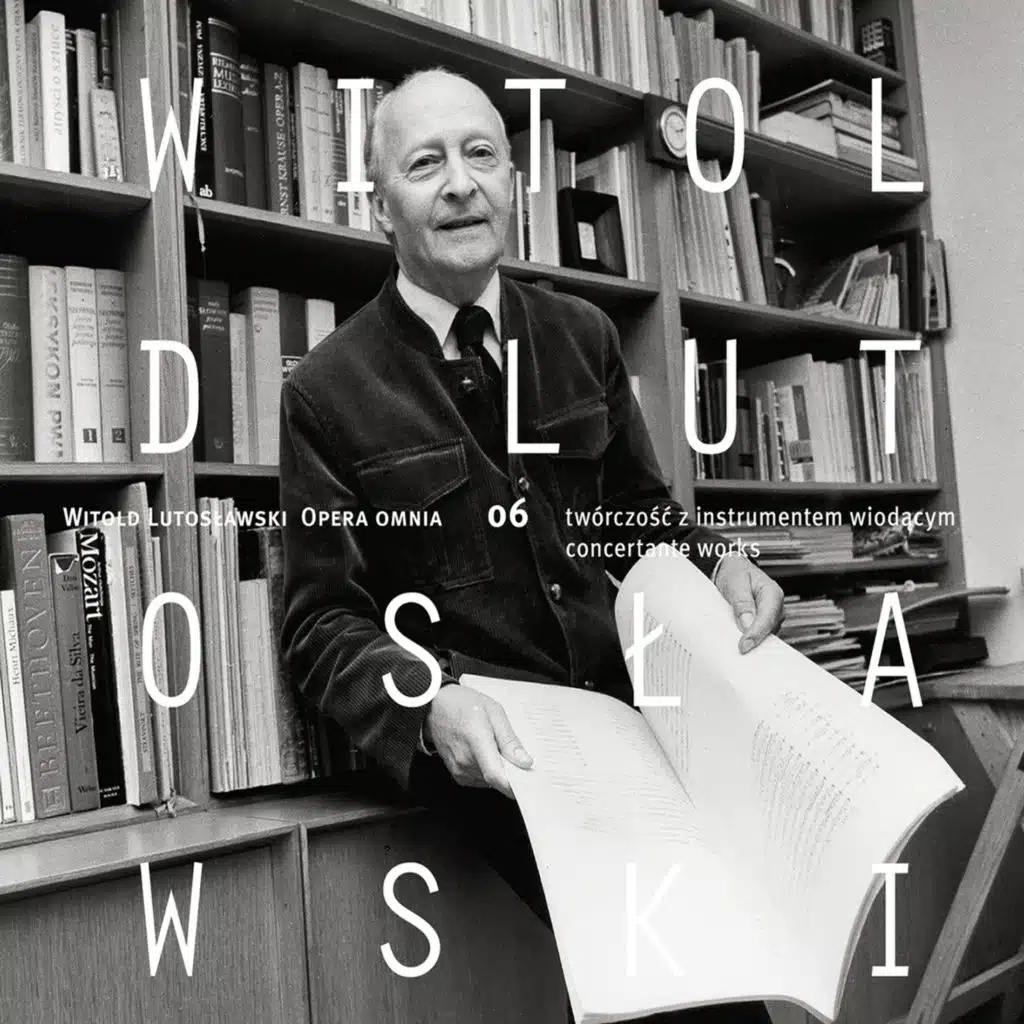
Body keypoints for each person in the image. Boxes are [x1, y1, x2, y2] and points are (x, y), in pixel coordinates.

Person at [279, 67, 784, 1023]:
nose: (460, 184)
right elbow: (321, 625)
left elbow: (636, 512)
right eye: (425, 165)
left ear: (513, 183)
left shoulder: (583, 334)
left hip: (645, 726)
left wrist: (719, 560)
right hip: (503, 765)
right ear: (381, 207)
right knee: (692, 976)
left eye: (481, 155)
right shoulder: (326, 391)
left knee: (750, 932)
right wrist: (427, 704)